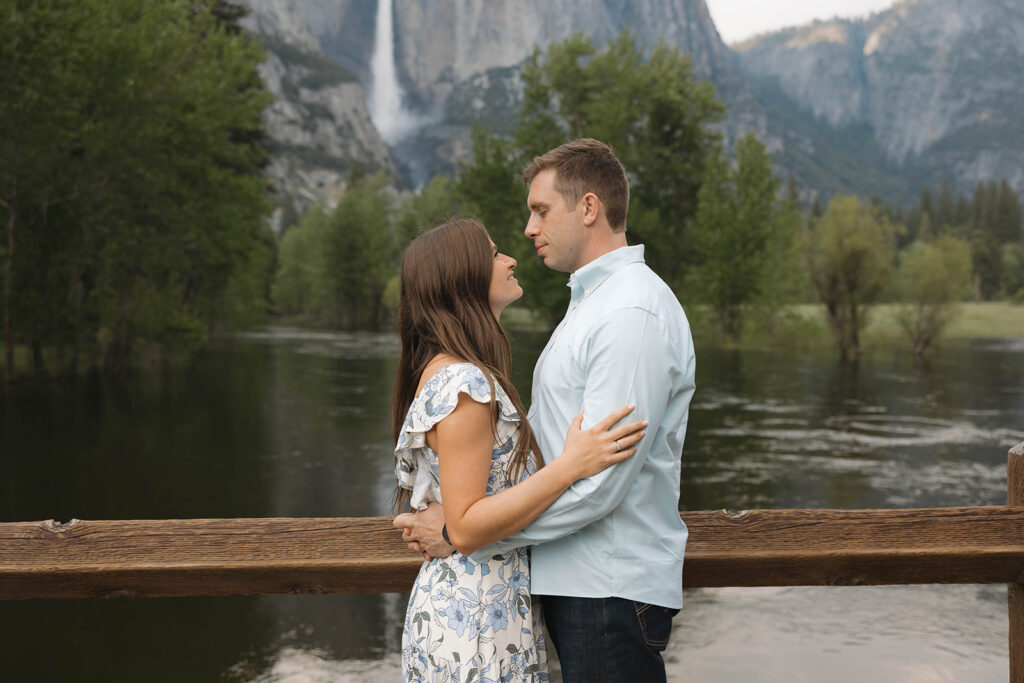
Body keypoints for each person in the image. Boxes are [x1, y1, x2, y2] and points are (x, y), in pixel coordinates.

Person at [395, 139, 696, 682]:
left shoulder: (630, 311)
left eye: (540, 210)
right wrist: (472, 530)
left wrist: (468, 534)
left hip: (607, 584)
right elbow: (552, 459)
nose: (528, 230)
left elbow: (604, 483)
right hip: (571, 583)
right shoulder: (590, 307)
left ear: (588, 208)